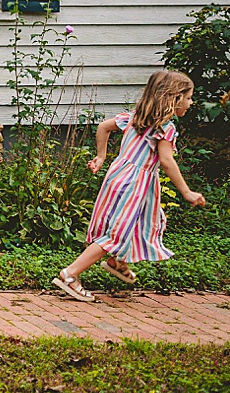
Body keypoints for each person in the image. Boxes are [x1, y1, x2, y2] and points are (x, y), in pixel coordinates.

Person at [53, 69, 206, 302]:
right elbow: (166, 161)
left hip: (119, 176)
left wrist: (101, 156)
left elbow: (103, 127)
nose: (190, 102)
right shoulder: (166, 129)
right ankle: (70, 274)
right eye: (187, 98)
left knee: (138, 222)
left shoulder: (134, 117)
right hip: (136, 182)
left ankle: (118, 262)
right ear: (173, 98)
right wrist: (186, 191)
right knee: (115, 233)